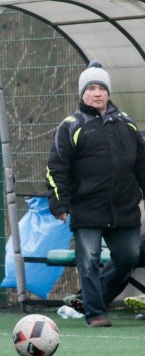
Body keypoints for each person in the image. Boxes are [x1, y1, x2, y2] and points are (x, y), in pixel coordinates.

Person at [46, 61, 145, 327]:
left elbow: (142, 165)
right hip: (87, 209)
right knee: (87, 261)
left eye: (101, 87)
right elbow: (57, 168)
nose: (97, 93)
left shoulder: (128, 125)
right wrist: (60, 203)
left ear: (108, 93)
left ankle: (92, 297)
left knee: (128, 258)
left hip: (124, 210)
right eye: (91, 88)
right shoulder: (71, 126)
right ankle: (96, 313)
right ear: (82, 94)